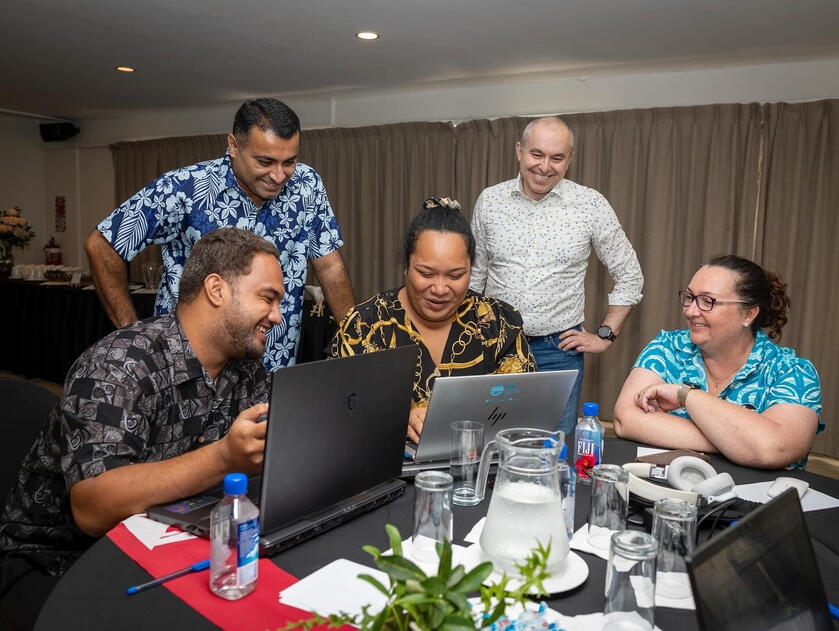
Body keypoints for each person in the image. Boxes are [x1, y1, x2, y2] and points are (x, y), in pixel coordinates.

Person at [0, 228, 282, 628]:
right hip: (54, 562)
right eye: (268, 298)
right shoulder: (119, 364)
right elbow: (93, 508)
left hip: (162, 544)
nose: (277, 315)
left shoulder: (244, 368)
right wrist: (223, 458)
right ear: (217, 290)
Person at [84, 97, 354, 371]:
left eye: (289, 162)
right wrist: (136, 338)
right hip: (190, 365)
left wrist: (355, 342)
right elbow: (102, 244)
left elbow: (330, 267)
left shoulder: (307, 185)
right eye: (265, 161)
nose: (279, 175)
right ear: (234, 146)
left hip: (271, 363)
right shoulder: (184, 188)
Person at [469, 116, 643, 435]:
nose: (545, 166)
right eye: (537, 154)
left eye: (557, 157)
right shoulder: (489, 201)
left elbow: (630, 275)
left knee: (554, 451)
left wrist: (605, 334)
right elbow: (473, 277)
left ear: (569, 160)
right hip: (495, 345)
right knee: (490, 442)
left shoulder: (590, 205)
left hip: (557, 353)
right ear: (519, 151)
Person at [331, 197, 536, 442]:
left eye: (456, 275)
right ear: (406, 265)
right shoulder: (366, 325)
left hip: (477, 471)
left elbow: (523, 408)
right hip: (386, 473)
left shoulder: (498, 323)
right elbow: (337, 412)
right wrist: (398, 416)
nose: (440, 289)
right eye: (426, 274)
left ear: (472, 269)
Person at [613, 255, 823, 470]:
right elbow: (626, 419)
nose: (691, 311)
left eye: (708, 301)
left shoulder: (792, 372)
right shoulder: (668, 348)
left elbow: (773, 449)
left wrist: (686, 396)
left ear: (748, 314)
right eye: (690, 297)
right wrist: (736, 442)